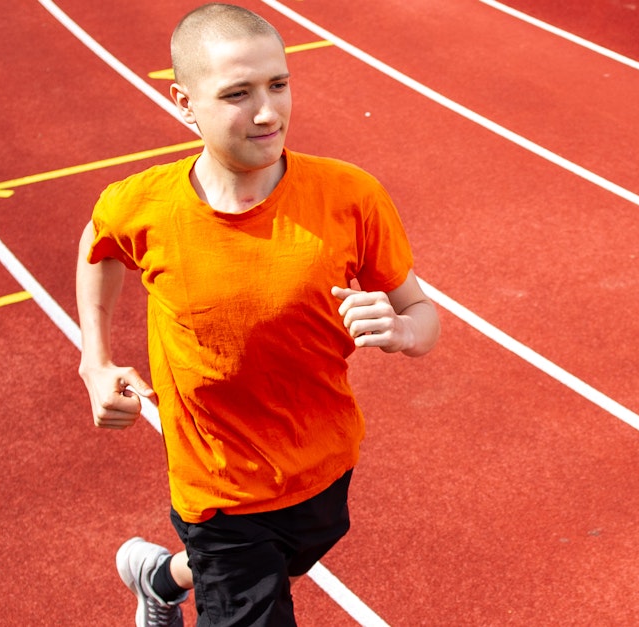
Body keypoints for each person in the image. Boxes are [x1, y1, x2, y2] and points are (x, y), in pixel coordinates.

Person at [74, 4, 439, 626]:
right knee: (242, 574)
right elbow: (98, 244)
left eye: (279, 84)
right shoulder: (144, 205)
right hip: (217, 487)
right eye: (238, 94)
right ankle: (195, 570)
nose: (268, 112)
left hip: (323, 463)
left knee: (271, 556)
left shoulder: (351, 196)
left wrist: (404, 331)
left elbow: (423, 313)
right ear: (185, 103)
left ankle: (162, 578)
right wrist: (96, 358)